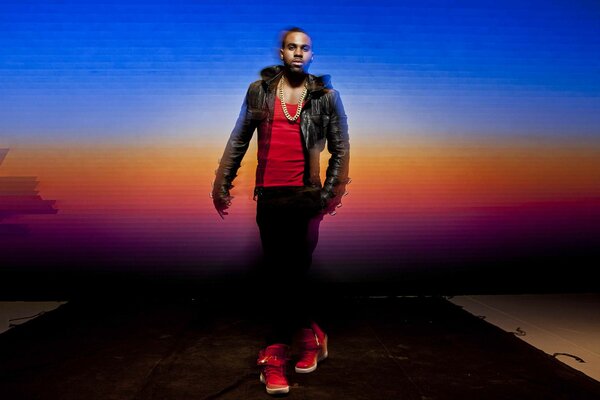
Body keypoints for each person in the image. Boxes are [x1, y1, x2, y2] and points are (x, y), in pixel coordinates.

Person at [211, 27, 350, 395]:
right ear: (281, 52)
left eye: (305, 48)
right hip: (270, 197)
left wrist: (329, 193)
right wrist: (221, 181)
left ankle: (276, 351)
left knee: (296, 271)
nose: (299, 53)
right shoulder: (259, 91)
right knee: (278, 274)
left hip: (306, 196)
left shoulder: (326, 97)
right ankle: (306, 334)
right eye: (292, 47)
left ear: (312, 55)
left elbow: (341, 146)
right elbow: (239, 137)